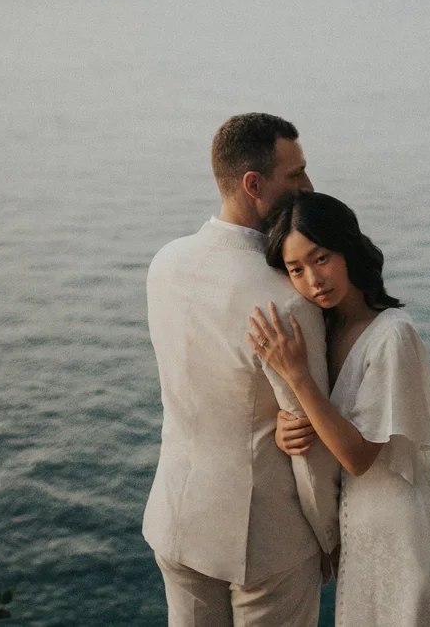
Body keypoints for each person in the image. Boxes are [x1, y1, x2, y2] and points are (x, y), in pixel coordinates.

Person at [143, 114, 339, 627]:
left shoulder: (165, 263)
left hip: (176, 517)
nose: (308, 187)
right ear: (254, 185)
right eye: (294, 175)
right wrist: (331, 537)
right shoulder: (286, 297)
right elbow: (308, 439)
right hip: (265, 539)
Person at [250, 192, 430, 627]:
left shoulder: (393, 336)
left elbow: (358, 455)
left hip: (403, 533)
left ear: (347, 249)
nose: (313, 280)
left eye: (321, 258)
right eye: (296, 269)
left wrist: (297, 377)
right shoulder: (325, 329)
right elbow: (331, 424)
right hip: (358, 533)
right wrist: (289, 428)